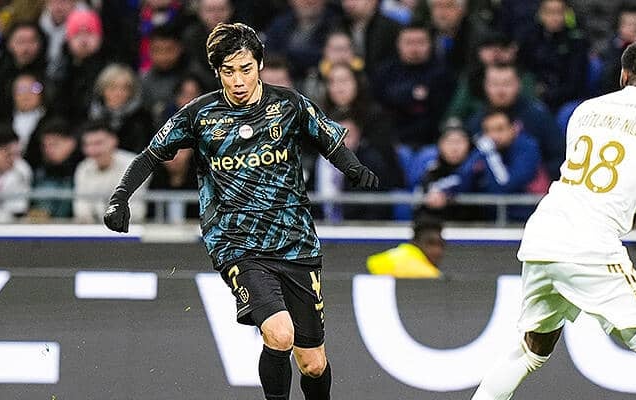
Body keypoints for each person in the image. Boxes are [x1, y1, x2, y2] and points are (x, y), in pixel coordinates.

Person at [102, 23, 379, 400]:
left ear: (259, 65)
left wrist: (355, 169)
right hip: (237, 243)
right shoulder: (200, 115)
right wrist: (120, 197)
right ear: (216, 71)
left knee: (313, 362)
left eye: (245, 69)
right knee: (279, 333)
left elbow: (329, 142)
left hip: (295, 242)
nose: (237, 80)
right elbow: (150, 156)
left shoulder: (289, 105)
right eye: (228, 71)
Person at [471, 40, 636, 400]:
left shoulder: (585, 111)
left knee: (529, 352)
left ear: (624, 75)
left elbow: (597, 192)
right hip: (591, 247)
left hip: (543, 236)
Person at [73, 121, 146, 223]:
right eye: (88, 145)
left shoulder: (135, 164)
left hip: (130, 228)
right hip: (93, 229)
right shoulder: (83, 168)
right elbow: (81, 211)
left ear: (113, 141)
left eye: (98, 143)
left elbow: (135, 211)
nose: (93, 150)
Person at [0, 124, 32, 222]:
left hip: (2, 224)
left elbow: (16, 212)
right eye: (9, 154)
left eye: (16, 154)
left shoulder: (21, 171)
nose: (13, 159)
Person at [366, 216, 444, 278]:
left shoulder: (375, 261)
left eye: (441, 245)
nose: (437, 250)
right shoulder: (430, 276)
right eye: (430, 243)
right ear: (415, 242)